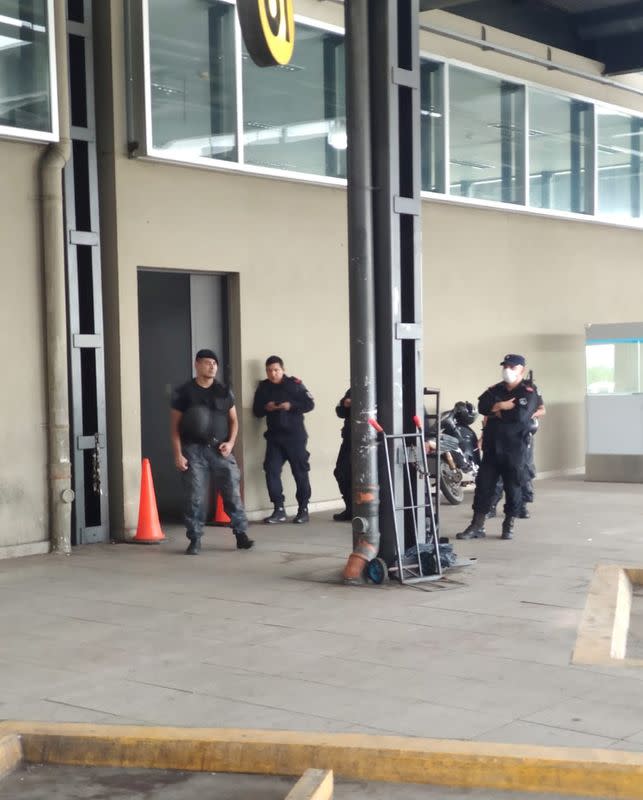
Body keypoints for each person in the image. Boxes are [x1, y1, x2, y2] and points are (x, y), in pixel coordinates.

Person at [170, 349, 254, 555]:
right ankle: (195, 538)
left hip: (219, 450)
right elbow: (174, 427)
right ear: (197, 364)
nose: (212, 367)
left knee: (232, 493)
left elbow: (234, 421)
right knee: (195, 496)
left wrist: (231, 443)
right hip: (193, 450)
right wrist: (178, 454)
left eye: (214, 363)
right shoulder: (184, 392)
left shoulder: (223, 391)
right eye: (207, 363)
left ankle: (241, 535)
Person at [456, 354, 545, 541]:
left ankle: (508, 524)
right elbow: (482, 407)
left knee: (513, 488)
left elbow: (521, 417)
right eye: (505, 366)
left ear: (521, 369)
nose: (507, 370)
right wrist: (502, 405)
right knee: (483, 487)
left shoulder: (528, 392)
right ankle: (477, 526)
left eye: (512, 367)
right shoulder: (495, 389)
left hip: (515, 449)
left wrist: (495, 411)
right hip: (492, 448)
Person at [253, 355, 315, 524]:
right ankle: (278, 509)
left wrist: (291, 406)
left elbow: (309, 404)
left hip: (295, 438)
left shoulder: (294, 384)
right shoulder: (264, 388)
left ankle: (303, 509)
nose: (273, 374)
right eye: (269, 371)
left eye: (276, 370)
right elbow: (256, 410)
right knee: (271, 470)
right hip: (274, 438)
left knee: (300, 472)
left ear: (283, 370)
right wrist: (267, 407)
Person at [333, 388, 351, 521]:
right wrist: (346, 403)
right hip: (350, 439)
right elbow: (339, 411)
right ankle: (351, 508)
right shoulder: (353, 390)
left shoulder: (382, 385)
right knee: (341, 472)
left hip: (372, 441)